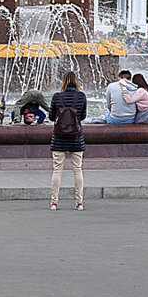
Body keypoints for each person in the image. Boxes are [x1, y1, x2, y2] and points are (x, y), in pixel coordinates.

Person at [49, 71, 87, 211]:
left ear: (63, 81)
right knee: (77, 169)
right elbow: (82, 116)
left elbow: (52, 116)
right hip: (76, 137)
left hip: (59, 137)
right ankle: (79, 202)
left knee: (57, 169)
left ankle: (54, 202)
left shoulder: (57, 96)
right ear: (76, 81)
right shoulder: (81, 96)